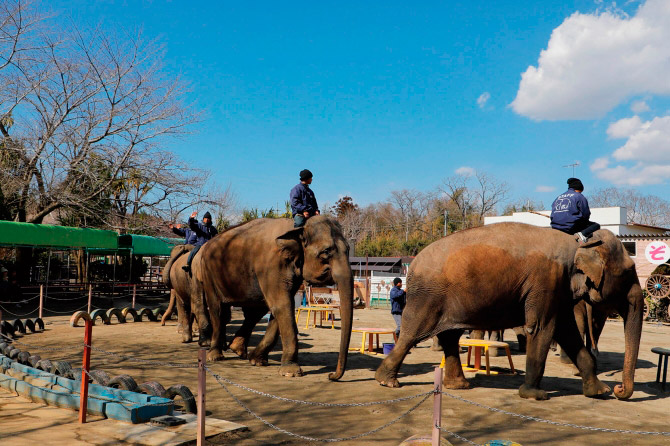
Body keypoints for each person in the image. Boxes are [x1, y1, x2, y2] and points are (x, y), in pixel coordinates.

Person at [550, 178, 600, 243]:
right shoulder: (579, 196)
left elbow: (553, 214)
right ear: (579, 189)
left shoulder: (558, 197)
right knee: (596, 225)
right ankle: (581, 235)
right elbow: (586, 214)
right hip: (570, 227)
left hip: (555, 227)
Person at [390, 277, 406, 342]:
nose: (401, 284)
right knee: (400, 326)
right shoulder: (393, 290)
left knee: (403, 327)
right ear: (397, 283)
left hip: (401, 311)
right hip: (396, 311)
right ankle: (394, 339)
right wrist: (403, 291)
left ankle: (398, 340)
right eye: (400, 282)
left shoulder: (400, 290)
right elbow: (395, 296)